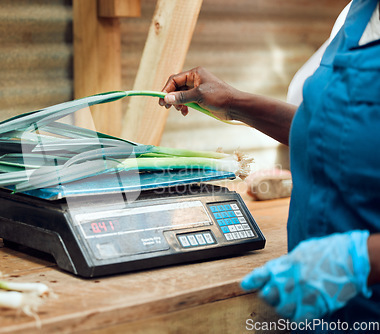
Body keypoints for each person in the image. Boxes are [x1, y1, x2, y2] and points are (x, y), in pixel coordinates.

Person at [159, 0, 380, 332]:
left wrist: (358, 260)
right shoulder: (357, 14)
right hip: (322, 313)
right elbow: (328, 126)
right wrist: (233, 103)